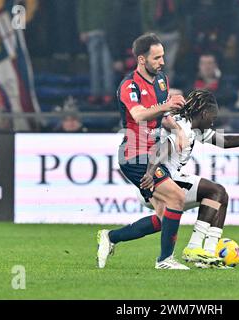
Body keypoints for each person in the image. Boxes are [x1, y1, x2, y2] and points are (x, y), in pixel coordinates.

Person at [100, 89, 239, 269]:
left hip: (164, 180)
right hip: (159, 179)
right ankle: (194, 248)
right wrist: (150, 173)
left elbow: (225, 142)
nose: (213, 123)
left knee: (168, 218)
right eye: (213, 118)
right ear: (204, 113)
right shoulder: (183, 127)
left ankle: (112, 236)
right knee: (216, 191)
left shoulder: (195, 128)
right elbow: (163, 148)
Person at [97, 33, 190, 270]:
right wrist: (166, 106)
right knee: (177, 197)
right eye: (157, 57)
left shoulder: (161, 81)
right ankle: (165, 260)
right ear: (141, 59)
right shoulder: (129, 85)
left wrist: (178, 129)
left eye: (163, 56)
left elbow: (163, 115)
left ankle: (111, 237)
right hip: (134, 154)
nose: (162, 62)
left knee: (162, 217)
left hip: (151, 155)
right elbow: (138, 114)